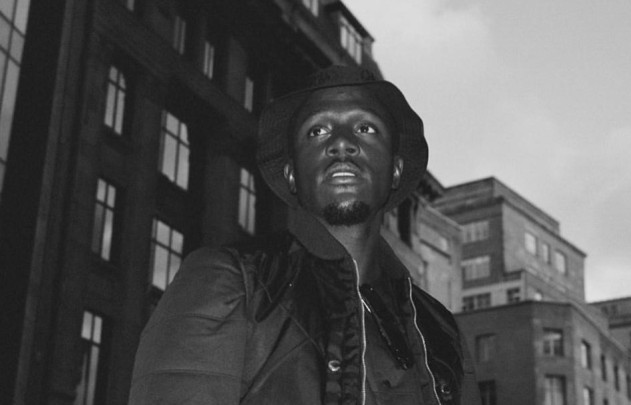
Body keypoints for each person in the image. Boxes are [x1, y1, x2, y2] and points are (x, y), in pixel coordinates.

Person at [129, 65, 479, 404]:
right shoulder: (231, 281)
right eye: (317, 131)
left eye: (366, 128)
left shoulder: (439, 329)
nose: (342, 144)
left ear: (396, 172)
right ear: (292, 173)